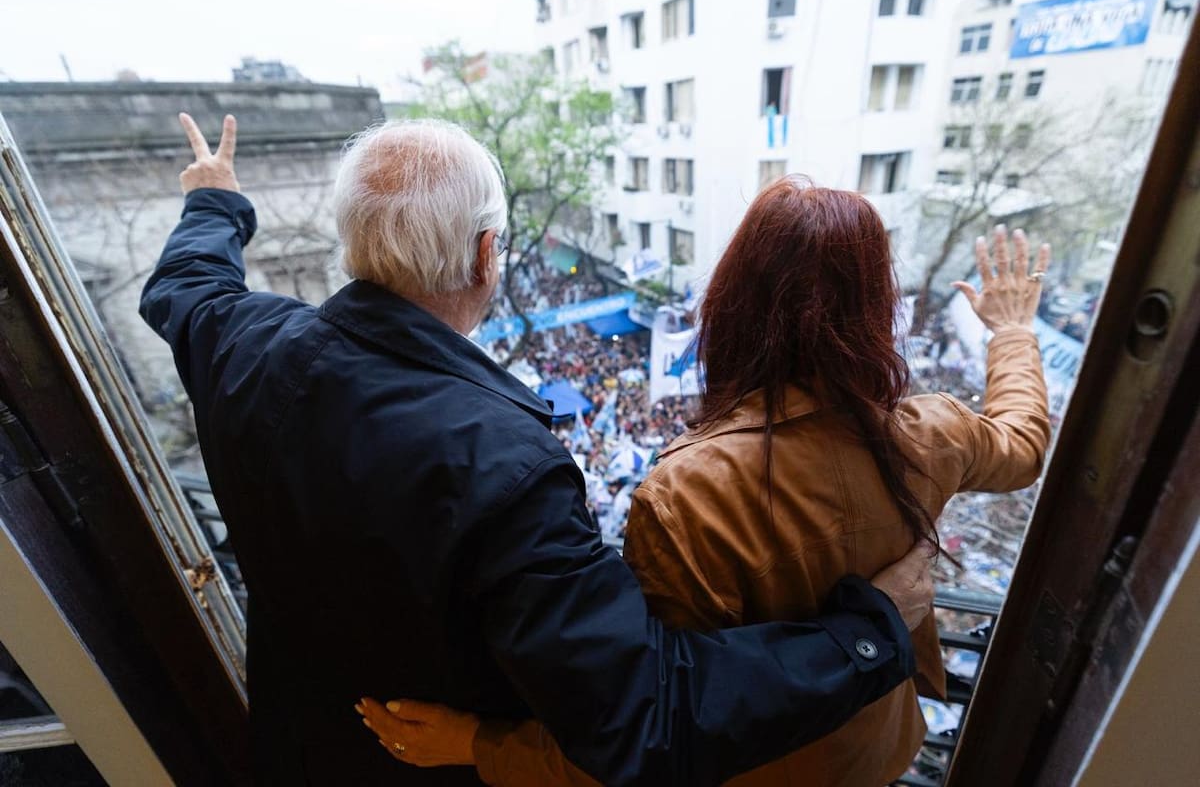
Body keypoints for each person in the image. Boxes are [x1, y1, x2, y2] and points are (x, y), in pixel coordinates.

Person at [141, 117, 936, 786]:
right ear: (489, 254)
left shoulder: (242, 345)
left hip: (298, 741)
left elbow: (183, 289)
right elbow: (643, 713)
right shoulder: (501, 465)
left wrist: (214, 200)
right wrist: (867, 636)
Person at [360, 178, 1052, 786]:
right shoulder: (934, 434)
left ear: (733, 303)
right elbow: (1022, 445)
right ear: (875, 307)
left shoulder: (690, 491)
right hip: (879, 750)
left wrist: (480, 747)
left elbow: (647, 727)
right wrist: (1013, 333)